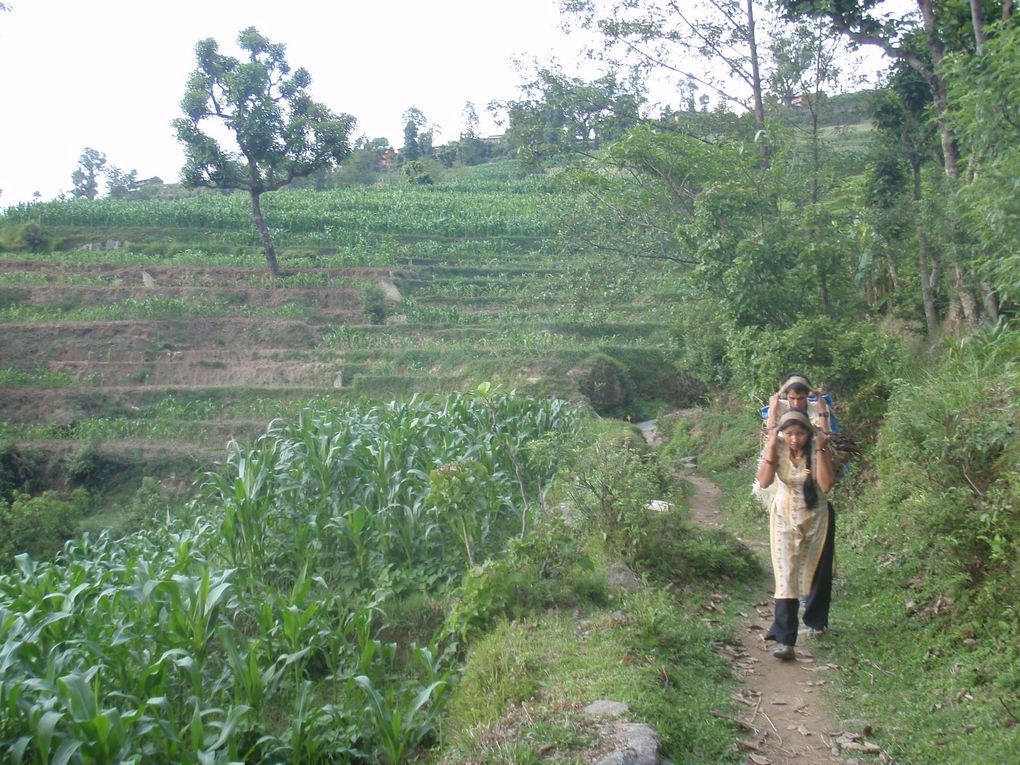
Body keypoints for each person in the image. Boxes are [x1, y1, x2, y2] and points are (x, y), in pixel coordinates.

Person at [756, 404, 836, 660]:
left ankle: (815, 621)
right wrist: (771, 445)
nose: (794, 439)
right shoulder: (778, 448)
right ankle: (786, 641)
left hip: (816, 518)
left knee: (814, 573)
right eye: (788, 434)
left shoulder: (818, 448)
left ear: (808, 433)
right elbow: (765, 481)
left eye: (799, 434)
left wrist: (821, 448)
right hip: (784, 518)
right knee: (785, 576)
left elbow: (825, 484)